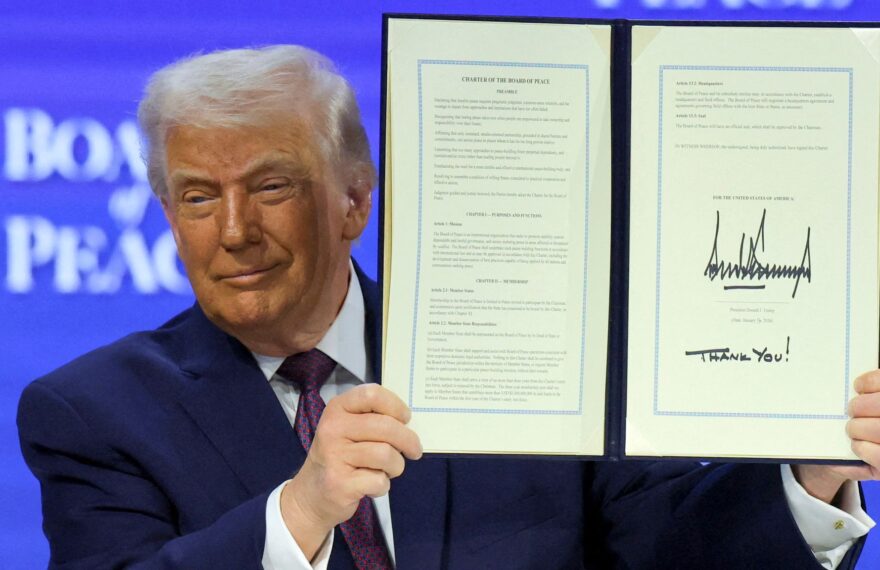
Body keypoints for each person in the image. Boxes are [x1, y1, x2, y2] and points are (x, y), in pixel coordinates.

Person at [17, 45, 878, 570]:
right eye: (198, 197)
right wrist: (301, 512)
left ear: (355, 201)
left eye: (271, 187)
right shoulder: (93, 412)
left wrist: (809, 475)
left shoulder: (526, 350)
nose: (234, 231)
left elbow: (666, 544)